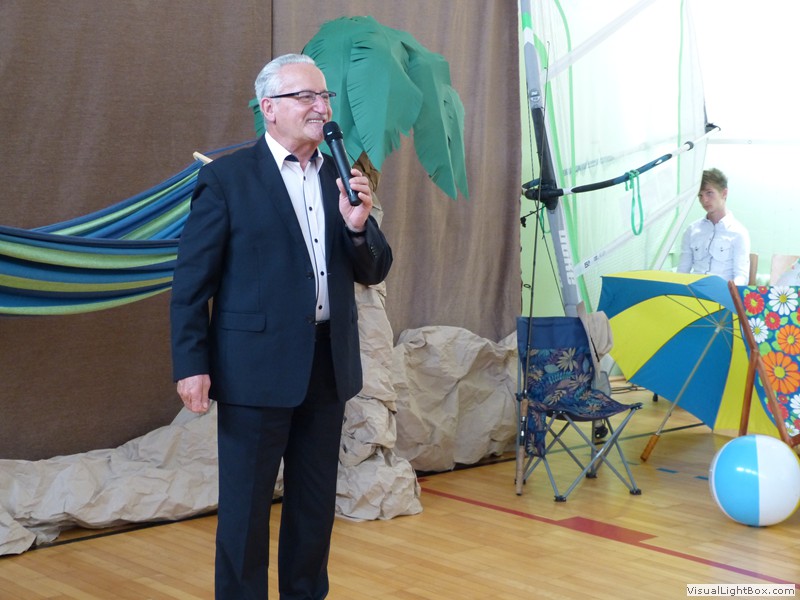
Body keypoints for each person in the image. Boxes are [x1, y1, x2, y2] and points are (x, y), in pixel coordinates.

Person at [170, 53, 393, 599]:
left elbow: (375, 269)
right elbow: (192, 283)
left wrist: (359, 227)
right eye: (306, 96)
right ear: (268, 107)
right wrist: (191, 364)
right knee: (245, 512)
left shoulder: (342, 176)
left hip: (327, 366)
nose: (321, 107)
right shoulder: (227, 179)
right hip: (254, 371)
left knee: (314, 509)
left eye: (325, 96)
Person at [677, 168, 750, 284]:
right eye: (700, 195)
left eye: (709, 193)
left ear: (724, 193)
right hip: (694, 291)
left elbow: (741, 276)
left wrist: (728, 291)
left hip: (723, 291)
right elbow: (682, 271)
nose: (704, 200)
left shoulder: (738, 233)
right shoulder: (691, 230)